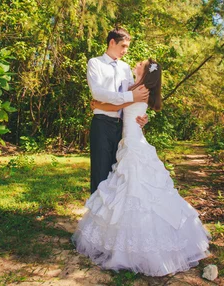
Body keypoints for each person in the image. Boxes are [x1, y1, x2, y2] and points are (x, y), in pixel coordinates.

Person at [73, 58, 211, 277]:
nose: (136, 63)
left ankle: (135, 247)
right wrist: (102, 105)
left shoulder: (141, 89)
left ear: (145, 71)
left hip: (133, 142)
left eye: (141, 63)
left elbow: (118, 105)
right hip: (130, 138)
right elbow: (123, 104)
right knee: (129, 187)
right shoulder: (136, 88)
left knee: (134, 189)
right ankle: (123, 242)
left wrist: (96, 105)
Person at [86, 27, 149, 194]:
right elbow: (97, 93)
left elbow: (133, 99)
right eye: (123, 46)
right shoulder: (95, 63)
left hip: (123, 127)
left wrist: (143, 116)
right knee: (100, 171)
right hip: (102, 124)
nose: (125, 50)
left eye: (127, 46)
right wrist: (128, 96)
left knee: (117, 174)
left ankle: (110, 216)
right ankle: (95, 216)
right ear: (111, 42)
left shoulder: (125, 68)